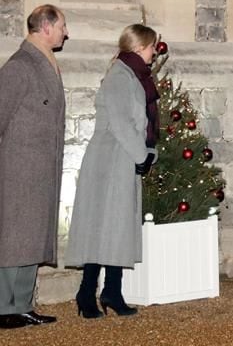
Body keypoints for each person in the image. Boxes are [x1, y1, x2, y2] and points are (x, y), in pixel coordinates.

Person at [66, 24, 159, 318]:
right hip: (110, 158)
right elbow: (119, 122)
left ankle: (112, 290)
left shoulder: (133, 75)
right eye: (152, 46)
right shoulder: (120, 75)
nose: (155, 52)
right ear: (139, 47)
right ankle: (87, 292)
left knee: (117, 225)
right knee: (103, 225)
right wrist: (141, 155)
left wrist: (145, 154)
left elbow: (139, 124)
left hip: (124, 157)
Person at [0, 5, 69, 330]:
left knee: (31, 236)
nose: (65, 33)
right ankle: (4, 307)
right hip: (18, 167)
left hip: (41, 167)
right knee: (13, 236)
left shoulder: (46, 62)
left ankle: (23, 304)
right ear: (46, 27)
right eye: (62, 27)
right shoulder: (20, 66)